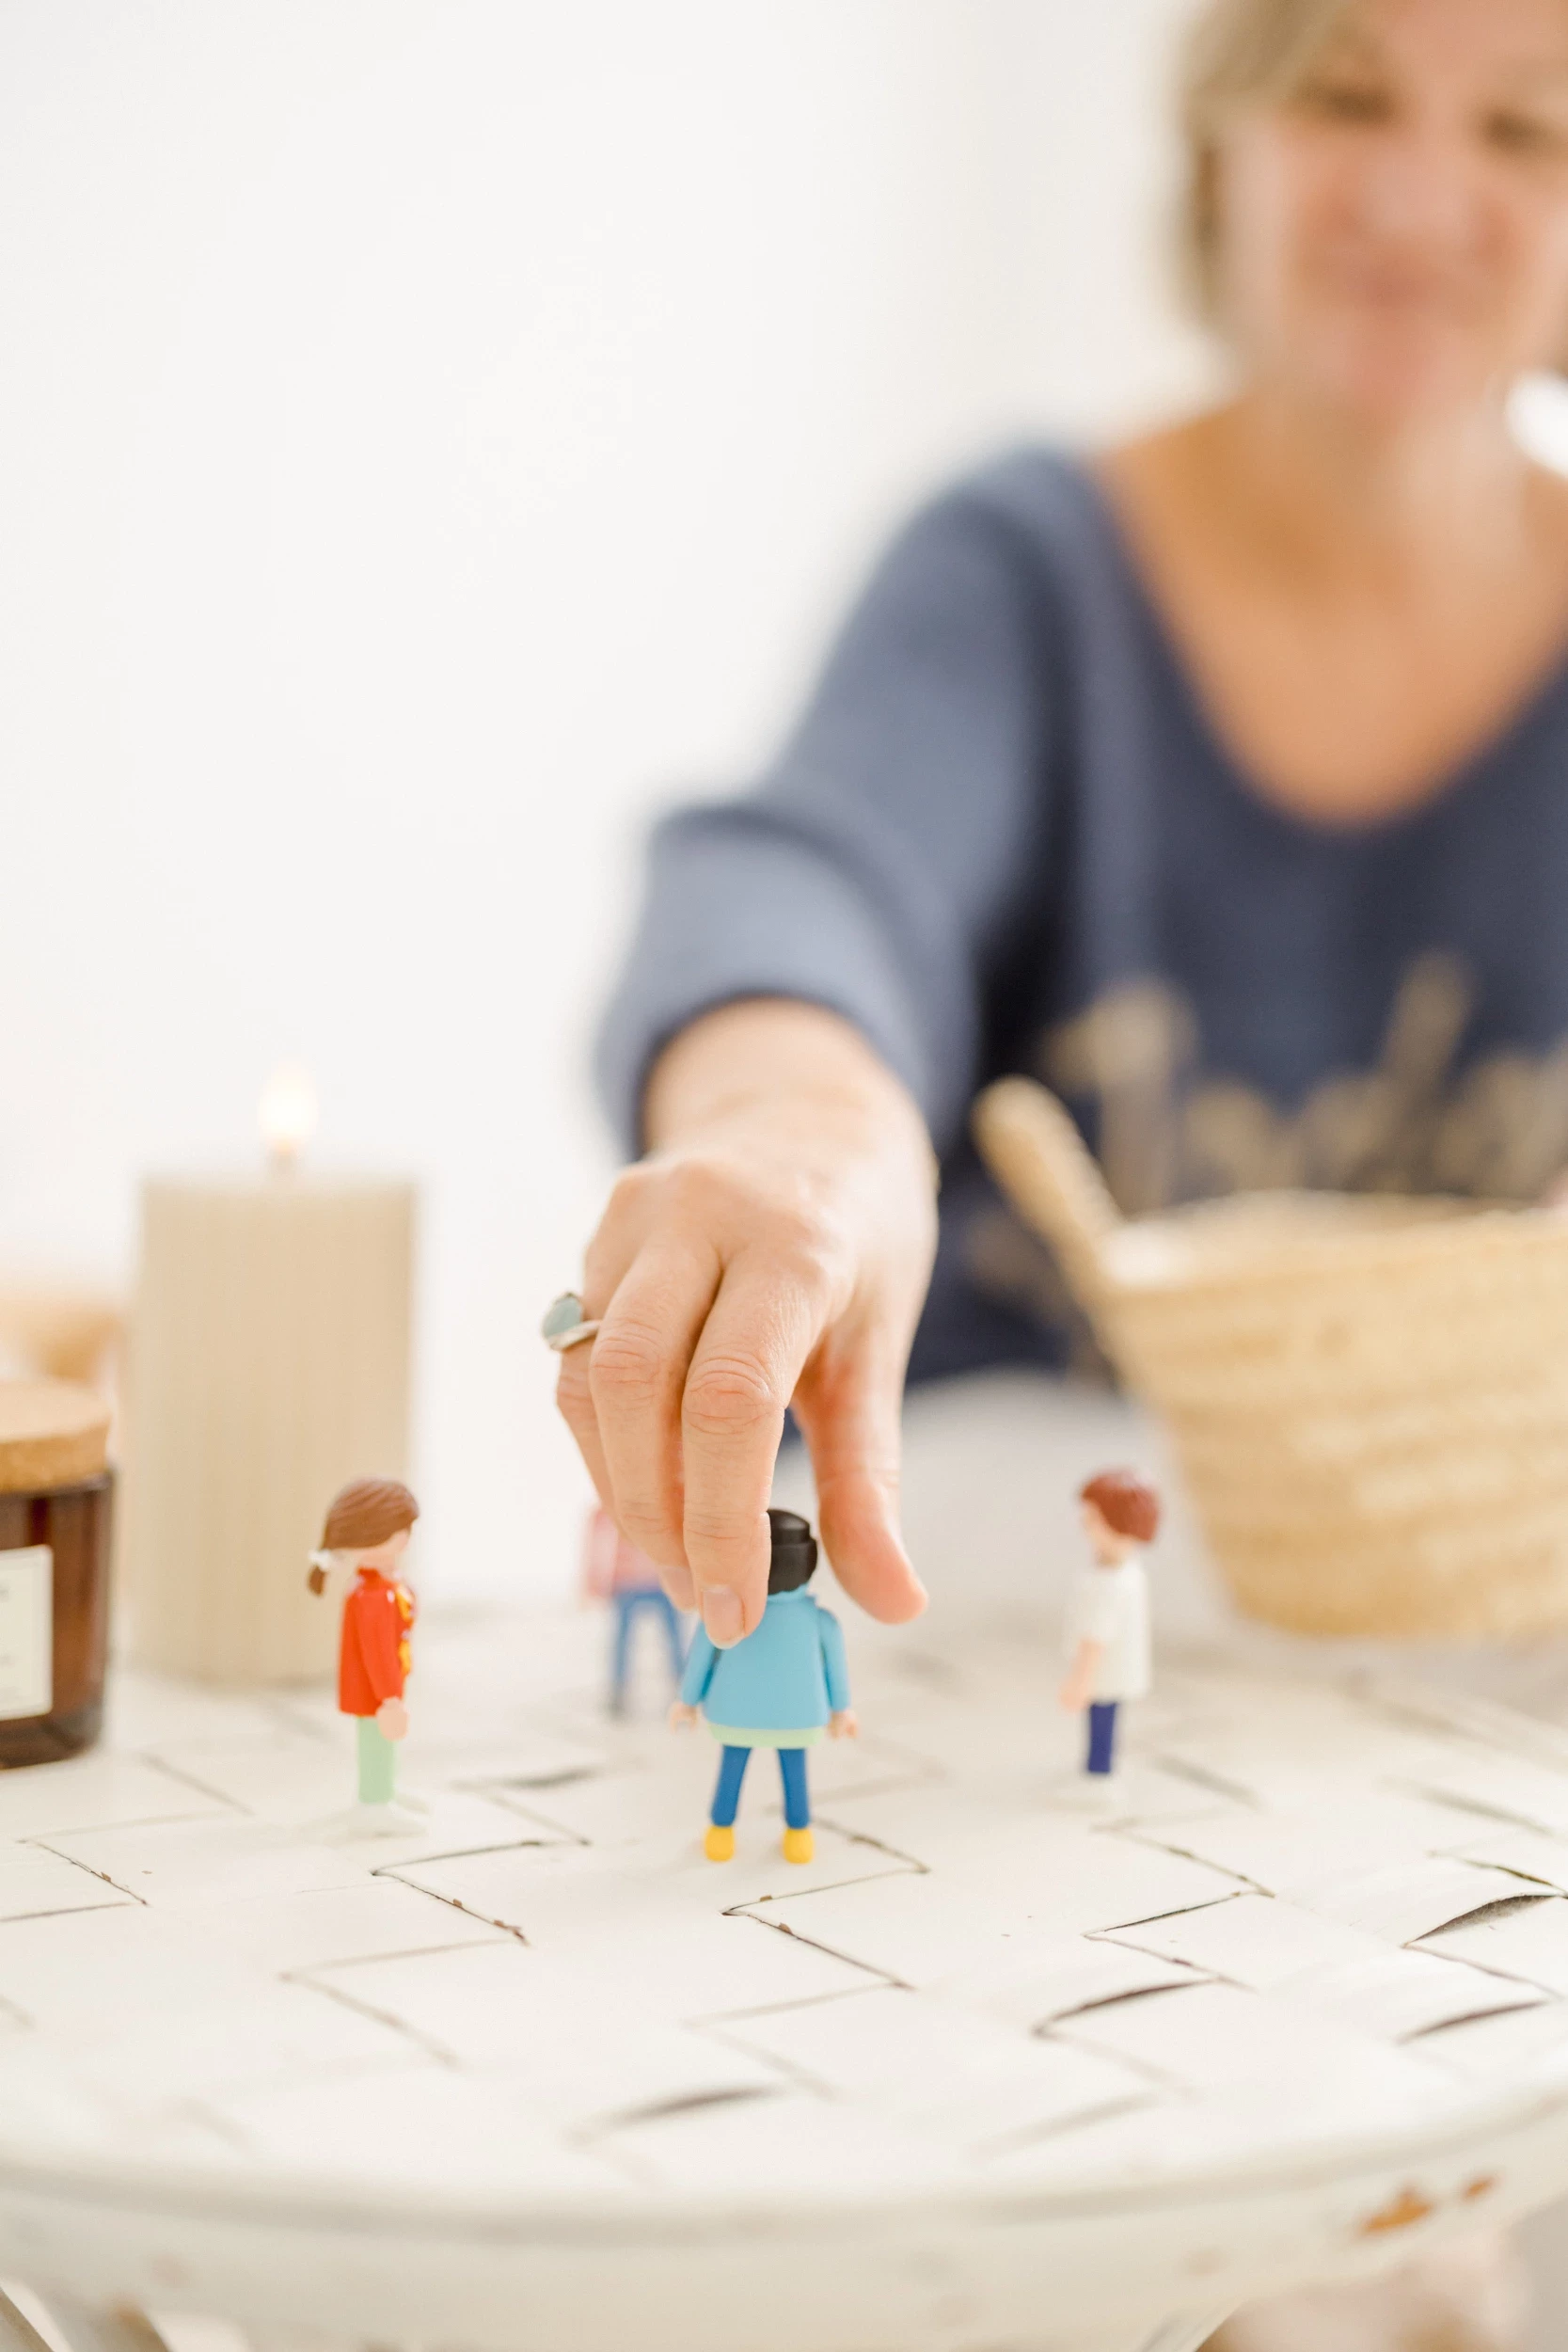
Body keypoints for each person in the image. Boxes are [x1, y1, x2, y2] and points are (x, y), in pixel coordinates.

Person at [561, 0, 1568, 1685]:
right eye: (1344, 98)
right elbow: (812, 876)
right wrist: (806, 1119)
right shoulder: (1015, 574)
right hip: (1002, 1603)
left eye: (1521, 133)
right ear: (1212, 147)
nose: (1412, 196)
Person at [670, 1509, 855, 1864]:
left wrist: (687, 1701)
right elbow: (836, 1670)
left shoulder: (726, 1612)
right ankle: (798, 1837)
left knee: (732, 1770)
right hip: (797, 1717)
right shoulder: (822, 1622)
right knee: (795, 1773)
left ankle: (720, 1835)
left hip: (733, 1712)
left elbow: (700, 1658)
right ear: (809, 1561)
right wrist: (841, 1709)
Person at [308, 1475, 420, 1826]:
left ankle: (384, 1789)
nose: (405, 1535)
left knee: (385, 1740)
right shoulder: (372, 1596)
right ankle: (375, 1802)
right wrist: (388, 1698)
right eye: (396, 1529)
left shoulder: (382, 1585)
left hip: (387, 1684)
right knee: (378, 1736)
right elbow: (377, 1653)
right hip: (377, 1689)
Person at [1058, 1470, 1160, 1786]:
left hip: (1105, 1671)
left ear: (1118, 1524)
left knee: (1101, 1723)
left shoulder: (1112, 1583)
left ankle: (1098, 1773)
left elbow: (1095, 1637)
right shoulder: (1123, 1571)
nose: (1084, 1524)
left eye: (1092, 1518)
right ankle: (1099, 1770)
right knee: (1105, 1719)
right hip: (1114, 1669)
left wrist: (1080, 1680)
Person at [581, 1502, 687, 1713]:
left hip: (663, 1580)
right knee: (623, 1641)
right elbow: (596, 1535)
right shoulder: (611, 1505)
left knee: (673, 1639)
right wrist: (592, 1580)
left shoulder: (671, 1503)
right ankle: (619, 1691)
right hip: (628, 1581)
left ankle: (683, 1692)